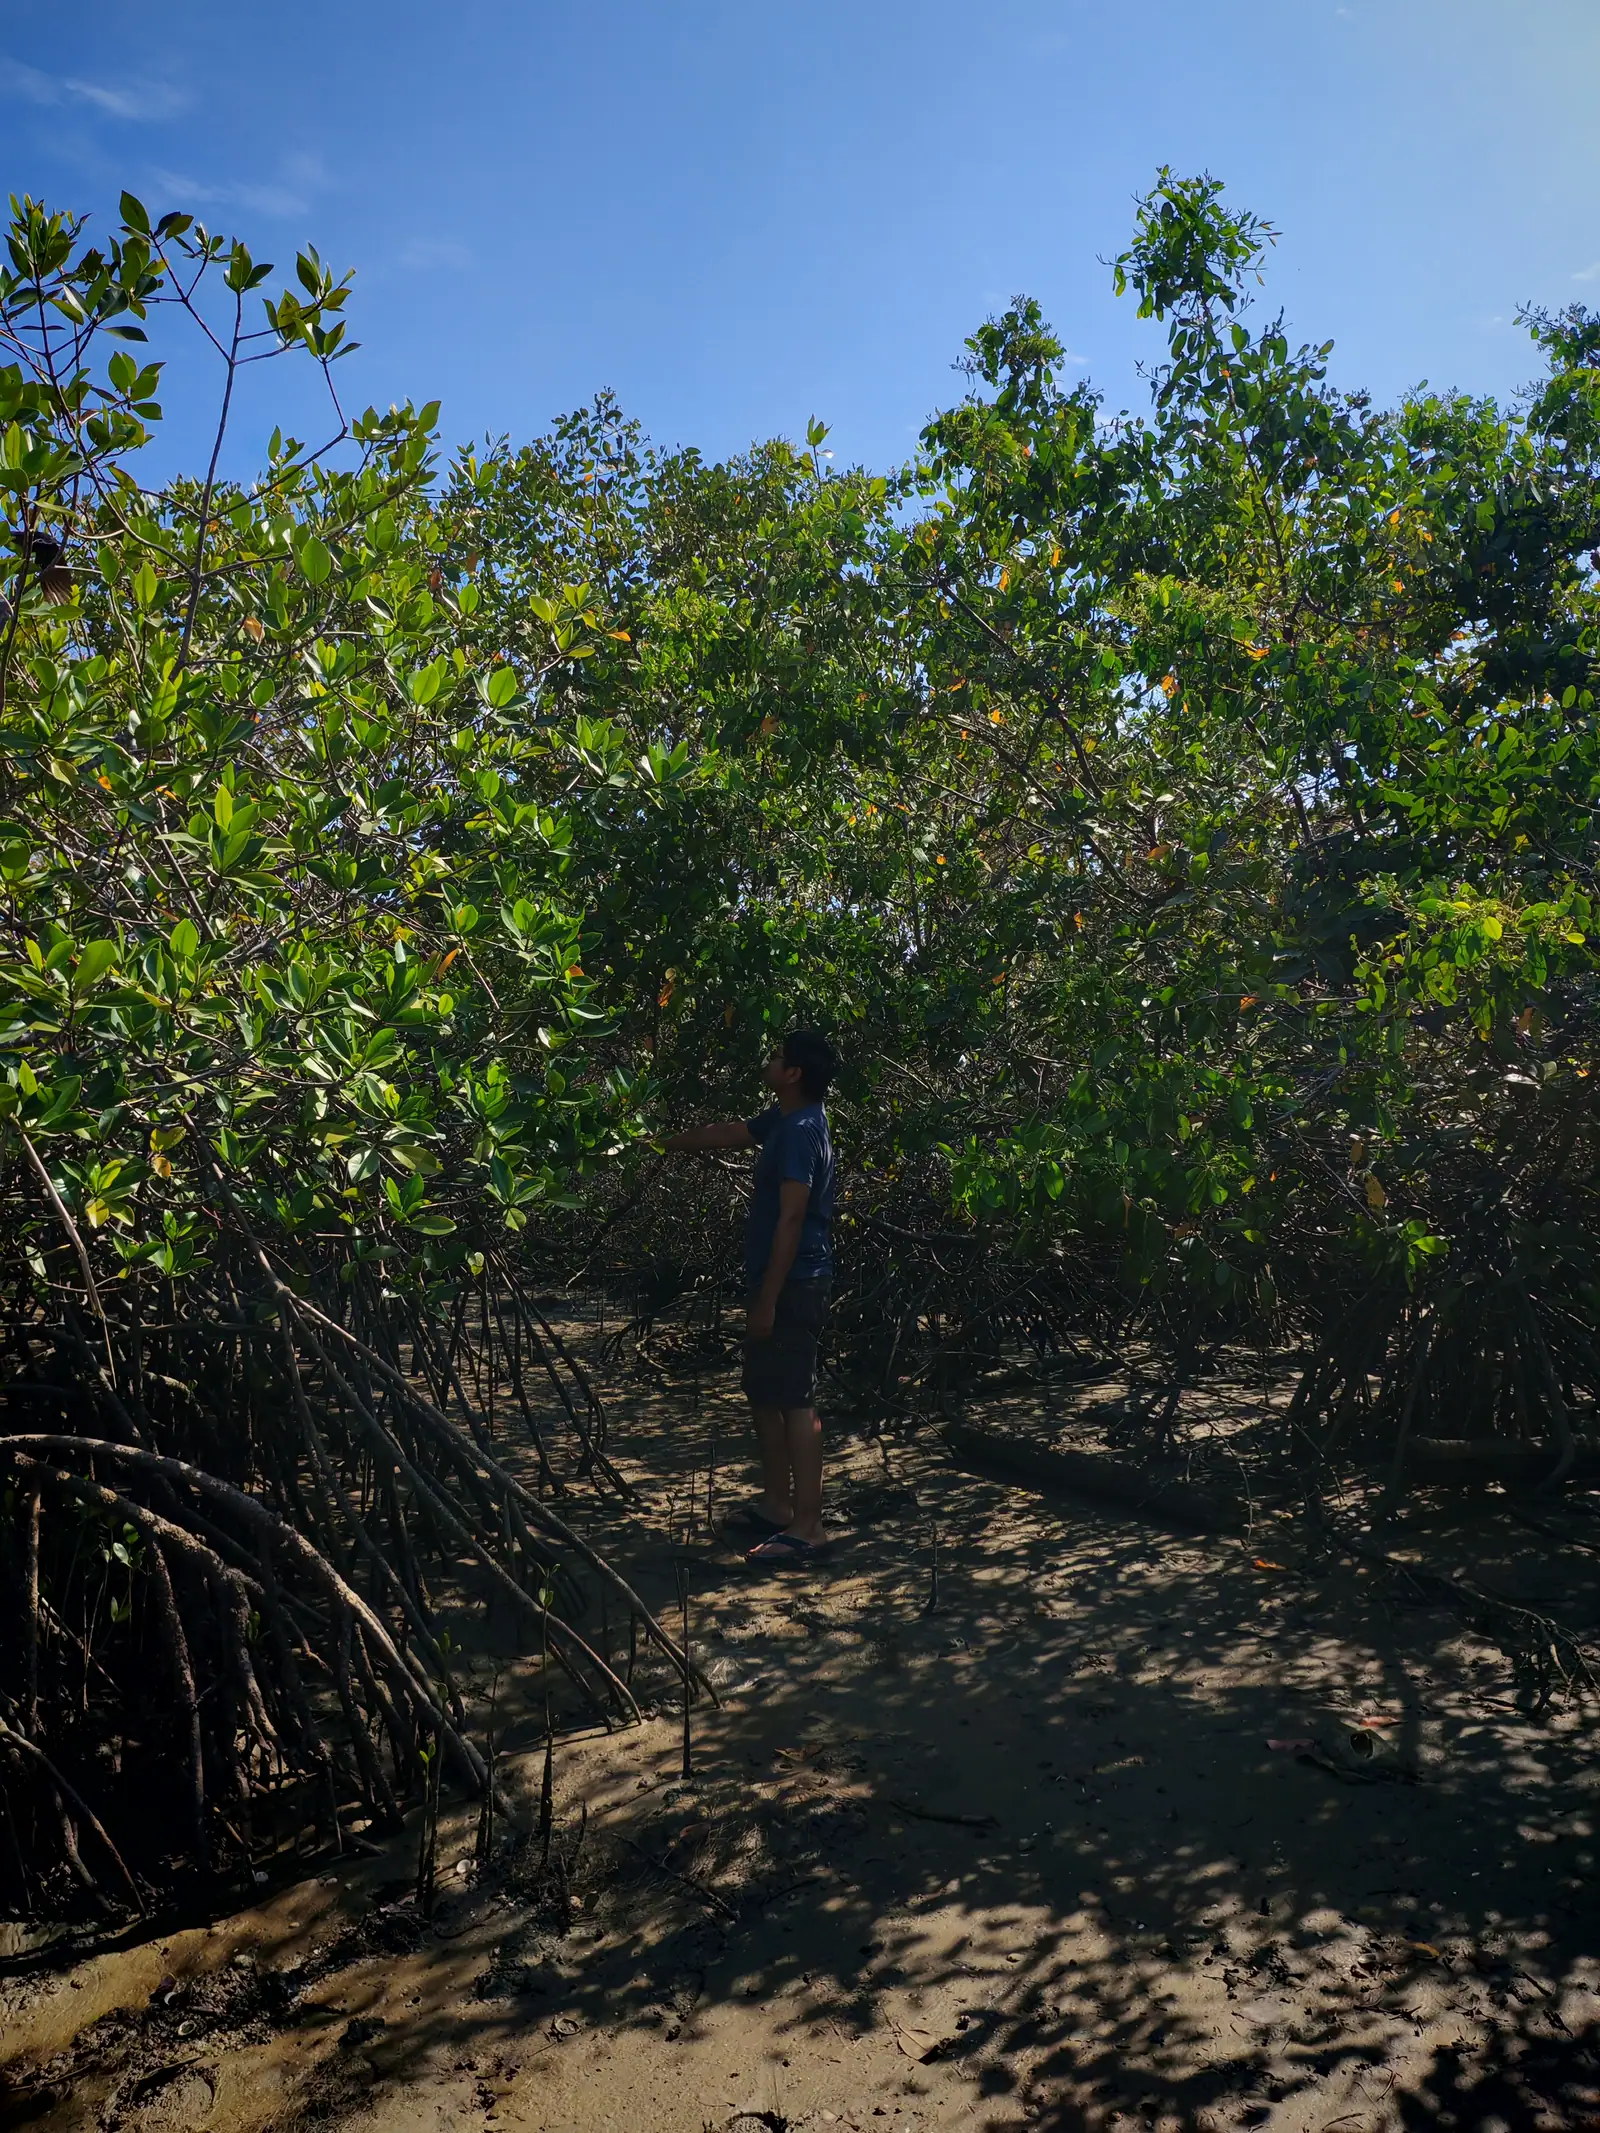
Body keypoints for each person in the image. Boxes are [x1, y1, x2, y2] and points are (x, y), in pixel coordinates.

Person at [663, 1028, 839, 1563]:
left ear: (794, 1073)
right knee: (764, 1395)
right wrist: (657, 1141)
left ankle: (808, 1528)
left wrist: (767, 1299)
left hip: (794, 1283)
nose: (769, 1060)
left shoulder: (800, 1132)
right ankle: (778, 1506)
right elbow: (730, 1133)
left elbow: (792, 1219)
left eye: (777, 1056)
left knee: (797, 1401)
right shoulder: (784, 1119)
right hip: (776, 1281)